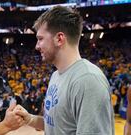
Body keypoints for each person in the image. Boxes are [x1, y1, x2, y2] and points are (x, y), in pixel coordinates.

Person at [15, 6, 114, 135]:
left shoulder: (88, 81)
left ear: (59, 39)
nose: (37, 46)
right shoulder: (56, 75)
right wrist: (30, 119)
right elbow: (57, 125)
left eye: (40, 39)